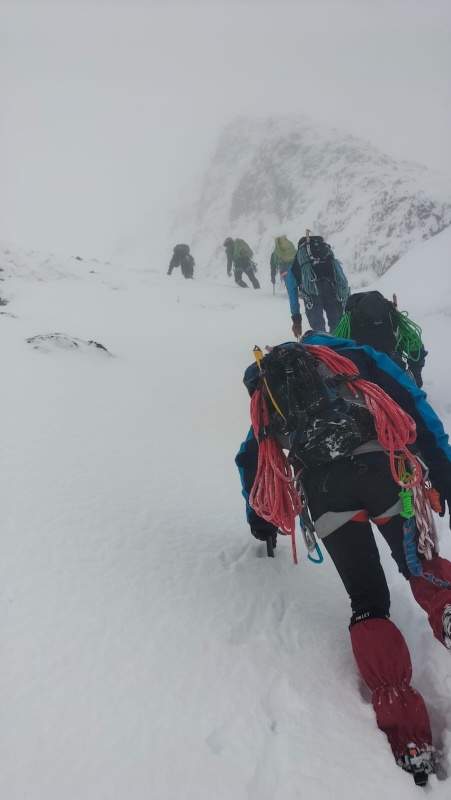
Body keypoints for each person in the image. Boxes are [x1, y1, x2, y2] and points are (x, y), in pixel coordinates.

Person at [235, 331, 451, 785]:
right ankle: (447, 610)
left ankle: (406, 732)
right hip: (385, 471)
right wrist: (444, 468)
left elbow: (252, 455)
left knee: (368, 600)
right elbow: (413, 401)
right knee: (419, 563)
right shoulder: (354, 356)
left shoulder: (270, 388)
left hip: (326, 494)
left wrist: (260, 519)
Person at [333, 291, 427, 388]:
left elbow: (334, 351)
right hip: (394, 374)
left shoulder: (349, 319)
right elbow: (416, 346)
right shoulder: (391, 314)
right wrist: (417, 378)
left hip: (361, 379)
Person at [290, 230, 350, 333]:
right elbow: (341, 277)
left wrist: (296, 320)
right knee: (337, 325)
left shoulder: (299, 261)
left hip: (311, 294)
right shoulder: (327, 255)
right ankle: (338, 346)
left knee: (318, 329)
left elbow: (292, 291)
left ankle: (323, 346)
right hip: (332, 289)